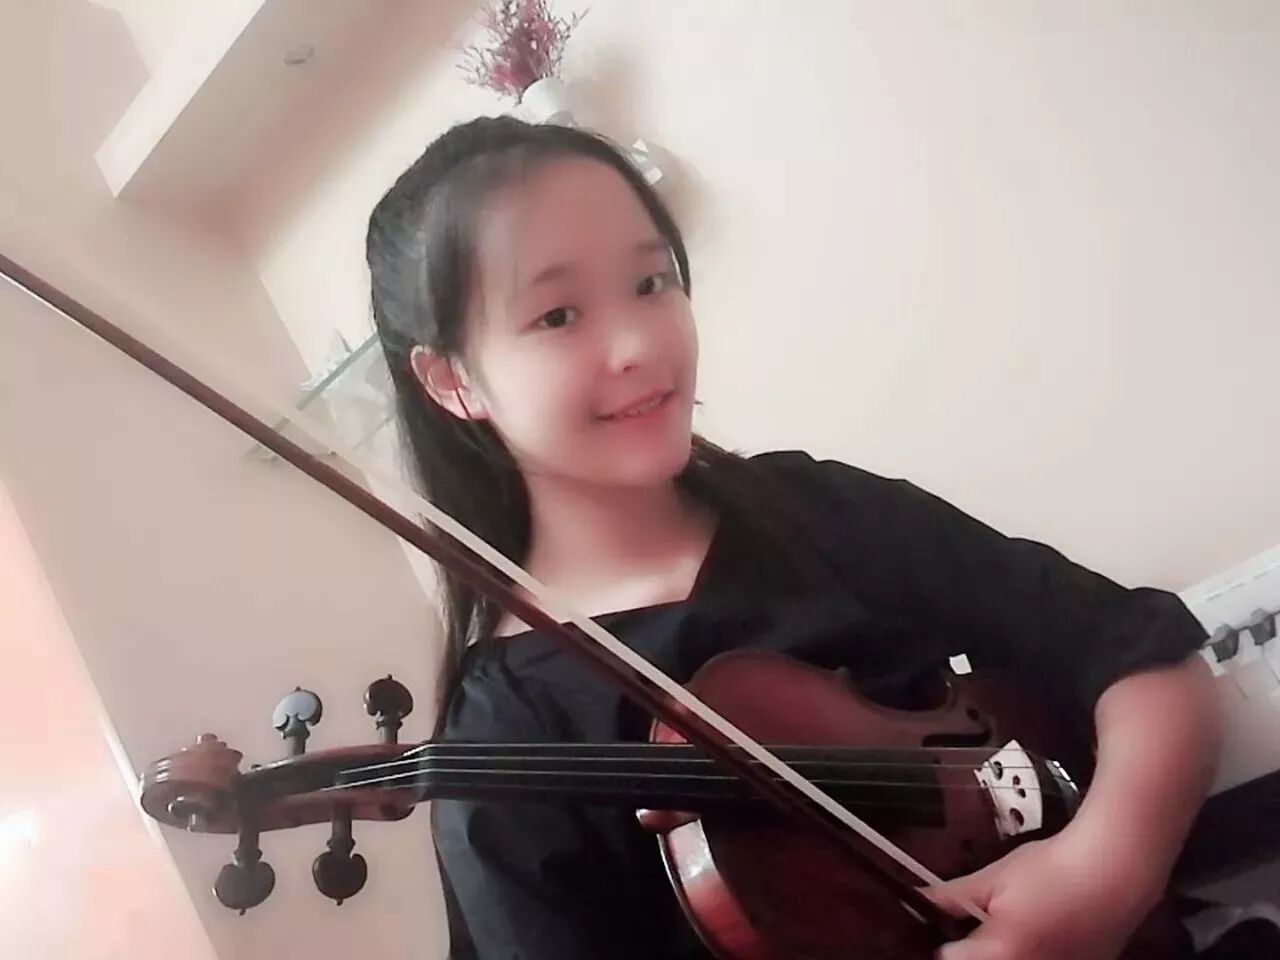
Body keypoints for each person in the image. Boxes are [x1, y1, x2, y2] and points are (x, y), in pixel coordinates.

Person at [364, 116, 1223, 960]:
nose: (637, 344)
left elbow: (1143, 654)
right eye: (557, 316)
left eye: (651, 282)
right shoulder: (509, 736)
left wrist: (1100, 880)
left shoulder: (814, 507)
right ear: (451, 380)